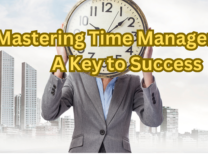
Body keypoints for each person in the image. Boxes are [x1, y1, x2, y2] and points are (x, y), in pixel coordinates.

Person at [41, 23, 163, 153]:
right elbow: (49, 113)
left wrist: (147, 68)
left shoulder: (132, 83)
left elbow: (154, 120)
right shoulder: (76, 78)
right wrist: (61, 61)